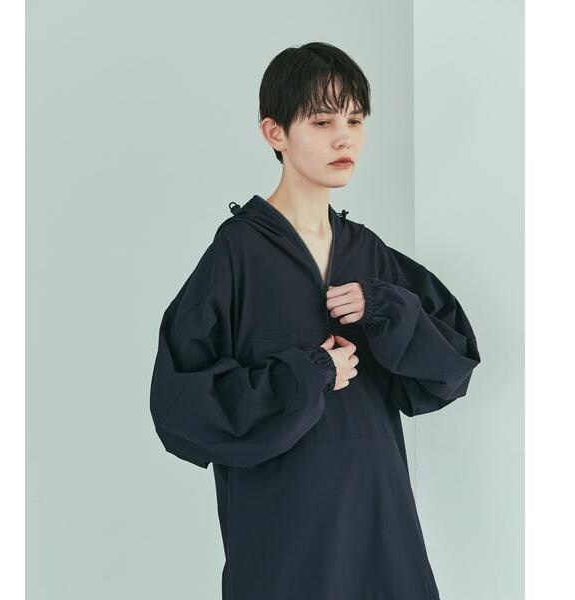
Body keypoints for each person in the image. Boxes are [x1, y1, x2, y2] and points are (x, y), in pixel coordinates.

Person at [149, 41, 481, 600]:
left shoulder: (369, 254)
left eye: (355, 120)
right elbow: (180, 408)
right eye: (323, 121)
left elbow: (449, 370)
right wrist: (306, 374)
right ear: (274, 133)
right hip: (285, 527)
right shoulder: (237, 255)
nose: (344, 138)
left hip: (379, 520)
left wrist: (388, 310)